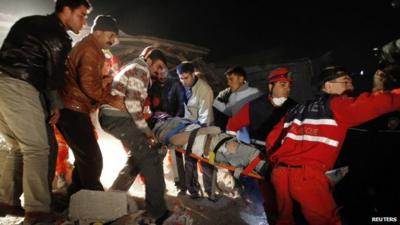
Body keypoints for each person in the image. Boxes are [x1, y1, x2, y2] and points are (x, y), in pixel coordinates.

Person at [266, 66, 400, 225]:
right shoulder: (336, 105)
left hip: (280, 174)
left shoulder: (296, 108)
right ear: (328, 86)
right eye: (344, 80)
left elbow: (271, 140)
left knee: (286, 220)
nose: (349, 81)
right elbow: (381, 103)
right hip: (307, 178)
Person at [0, 0, 91, 223]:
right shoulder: (58, 36)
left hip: (3, 83)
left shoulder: (28, 22)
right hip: (20, 86)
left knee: (15, 146)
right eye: (81, 14)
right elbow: (54, 77)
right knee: (38, 149)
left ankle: (6, 201)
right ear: (66, 10)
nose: (84, 20)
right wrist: (55, 105)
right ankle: (38, 211)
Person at [98, 47, 170, 225]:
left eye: (162, 68)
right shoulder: (141, 69)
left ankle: (115, 196)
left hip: (114, 116)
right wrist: (146, 131)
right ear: (149, 60)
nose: (159, 70)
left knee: (138, 157)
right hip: (117, 117)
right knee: (151, 157)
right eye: (158, 65)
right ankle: (157, 212)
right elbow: (132, 103)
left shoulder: (135, 68)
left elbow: (136, 102)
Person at [56, 15, 119, 196]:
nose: (113, 40)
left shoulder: (89, 47)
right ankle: (93, 199)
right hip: (72, 109)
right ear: (98, 32)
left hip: (72, 108)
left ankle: (75, 195)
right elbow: (88, 85)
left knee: (85, 158)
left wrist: (104, 81)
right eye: (111, 35)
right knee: (92, 159)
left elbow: (87, 81)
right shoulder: (91, 50)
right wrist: (111, 99)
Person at [226, 67, 297, 224]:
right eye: (283, 85)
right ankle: (264, 216)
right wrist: (231, 141)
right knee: (266, 196)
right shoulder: (254, 106)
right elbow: (233, 124)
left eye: (289, 86)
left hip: (283, 158)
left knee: (286, 198)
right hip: (260, 157)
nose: (287, 89)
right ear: (271, 86)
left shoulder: (294, 108)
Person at [176, 61, 215, 199]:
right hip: (189, 127)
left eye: (186, 77)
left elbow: (206, 116)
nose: (183, 81)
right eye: (181, 78)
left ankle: (210, 192)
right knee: (189, 161)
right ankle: (193, 191)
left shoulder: (204, 90)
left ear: (193, 74)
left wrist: (199, 136)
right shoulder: (183, 87)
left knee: (206, 162)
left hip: (205, 128)